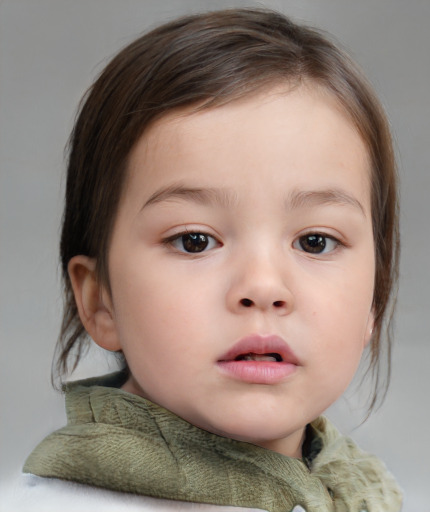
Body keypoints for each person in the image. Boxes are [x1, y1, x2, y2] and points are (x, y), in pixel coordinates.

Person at [20, 8, 402, 512]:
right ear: (100, 300)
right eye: (195, 240)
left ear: (373, 298)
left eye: (315, 242)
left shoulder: (360, 494)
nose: (263, 287)